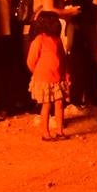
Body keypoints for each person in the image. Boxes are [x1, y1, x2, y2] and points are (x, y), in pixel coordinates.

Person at [27, 12, 68, 141]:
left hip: (57, 78)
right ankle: (45, 132)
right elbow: (31, 61)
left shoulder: (57, 40)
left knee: (60, 104)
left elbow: (62, 57)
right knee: (46, 105)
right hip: (45, 79)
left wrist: (65, 73)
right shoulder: (39, 40)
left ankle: (60, 131)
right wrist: (38, 74)